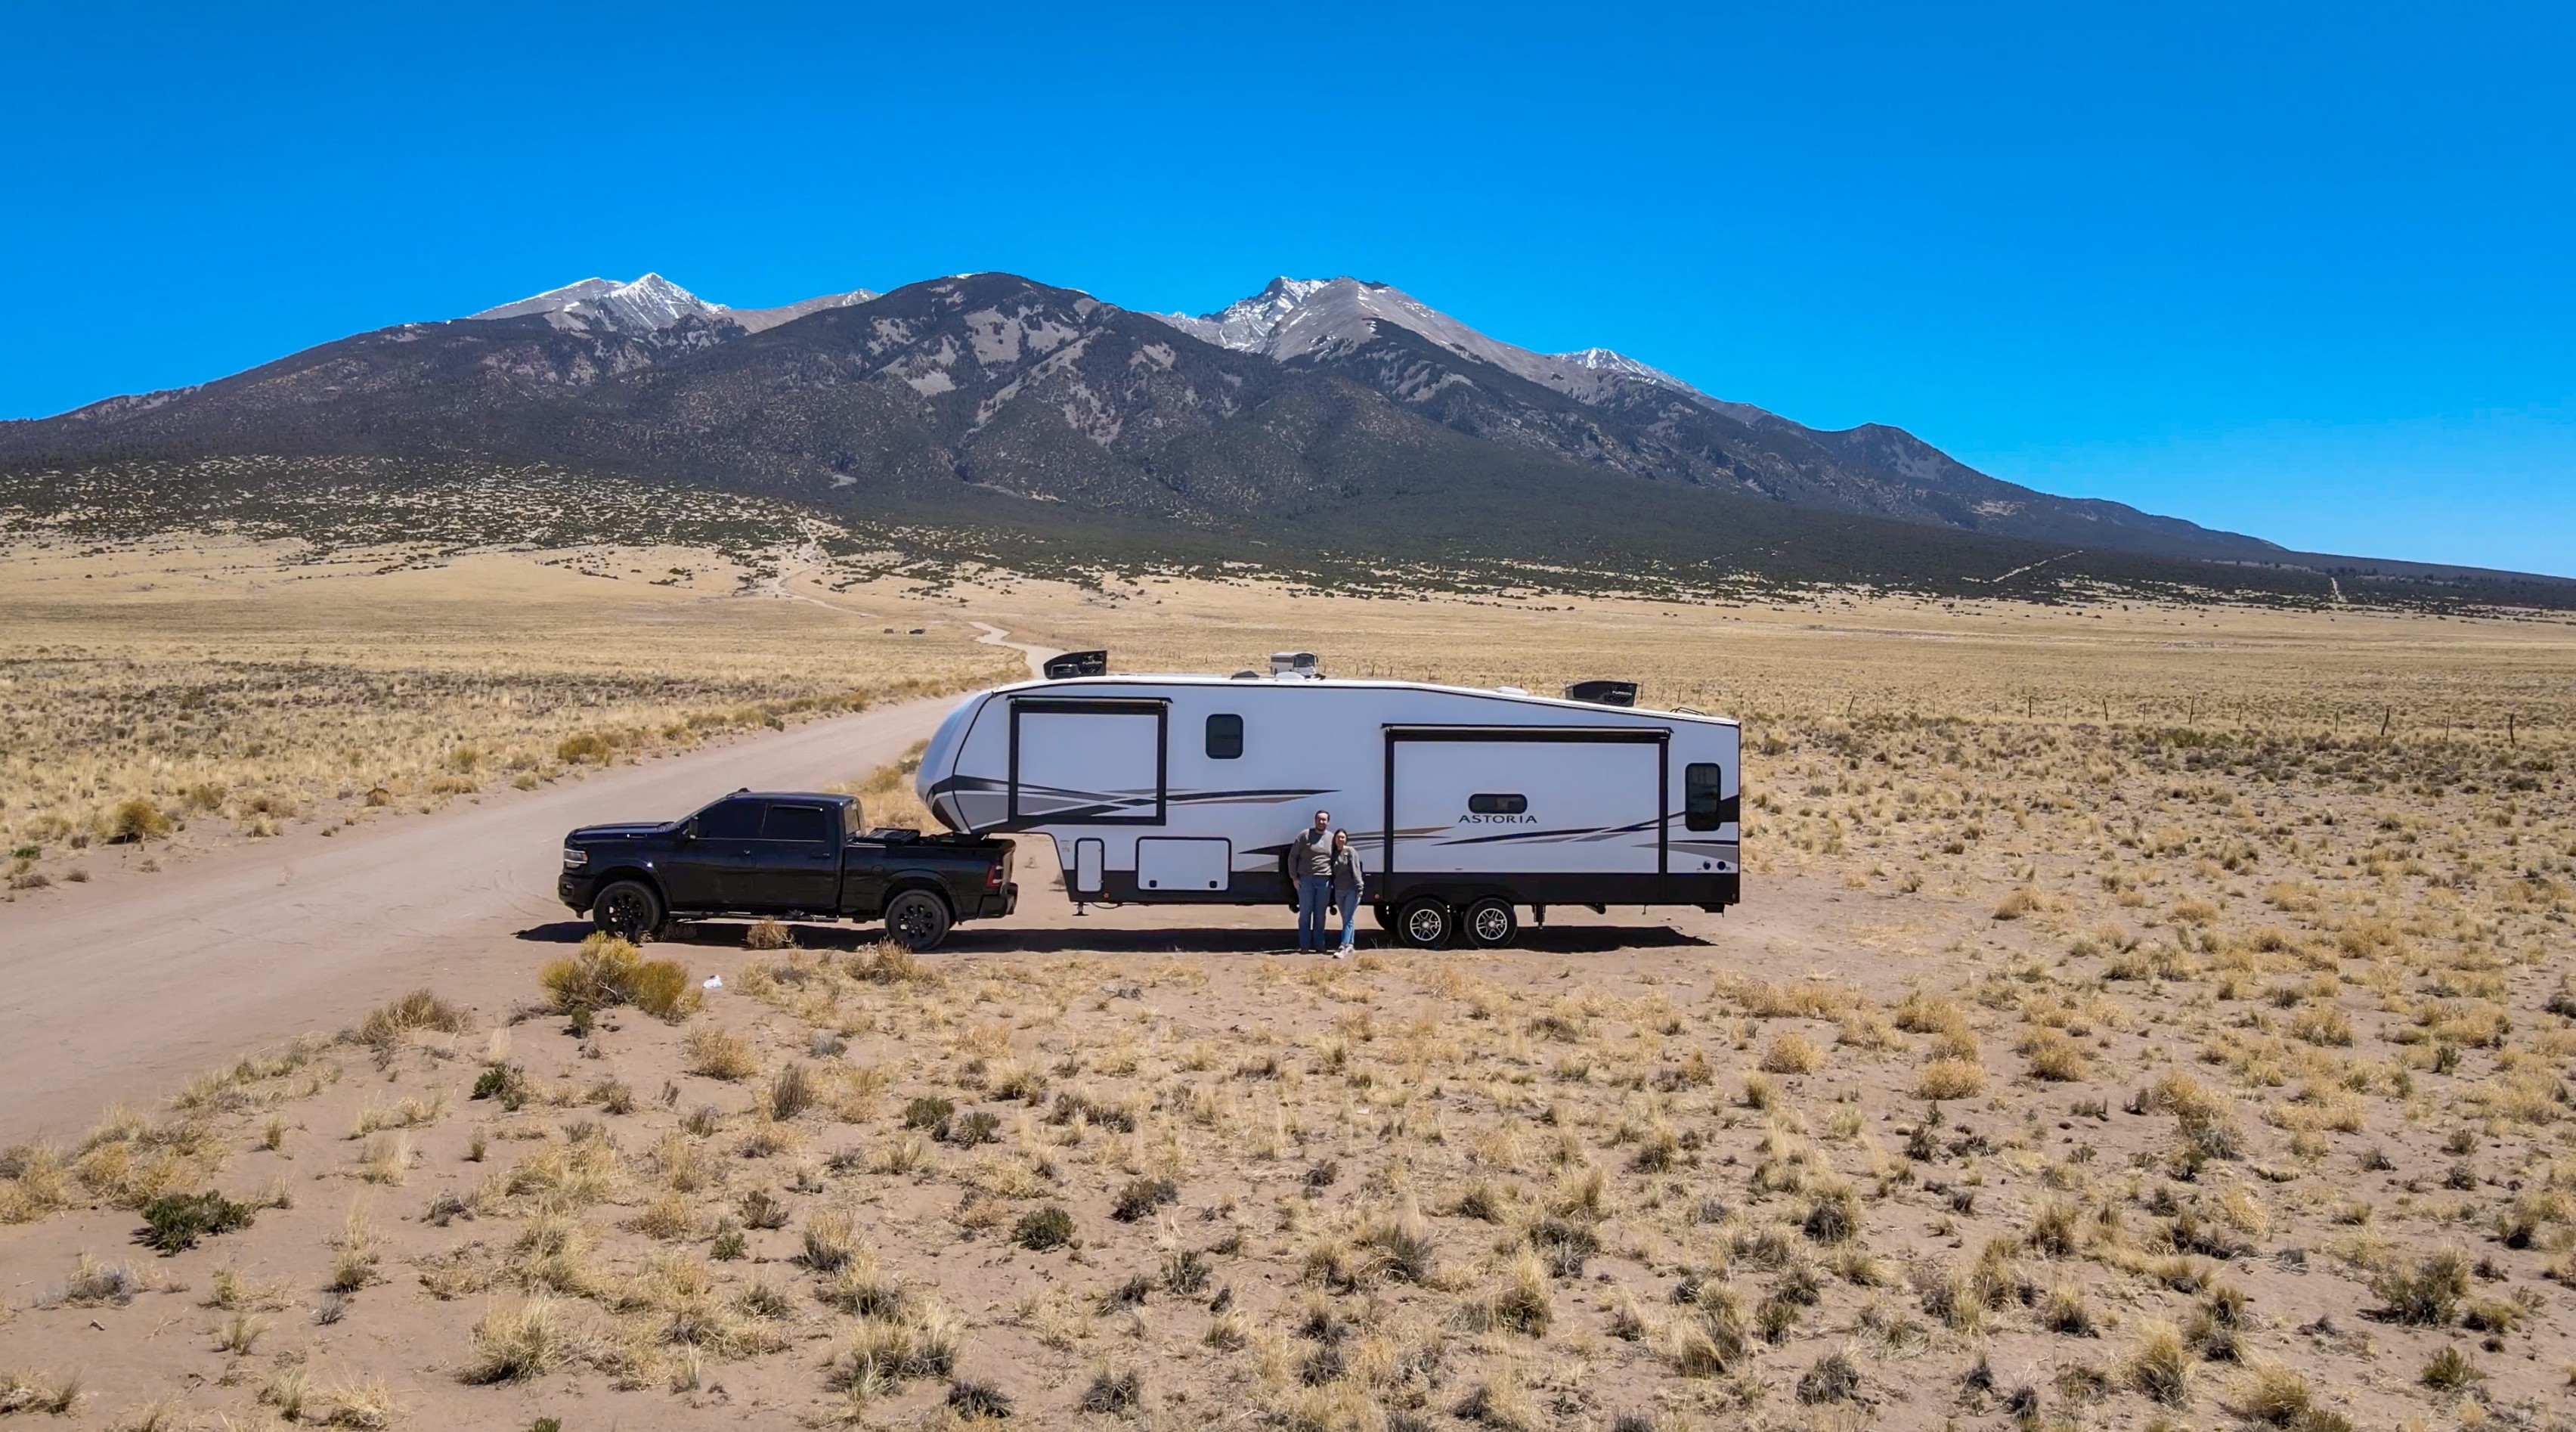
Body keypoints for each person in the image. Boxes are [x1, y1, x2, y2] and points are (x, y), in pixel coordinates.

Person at [1286, 808, 1334, 952]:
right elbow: (1292, 857)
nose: (1321, 822)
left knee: (1320, 914)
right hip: (1305, 880)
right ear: (1315, 821)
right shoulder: (1304, 835)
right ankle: (1305, 946)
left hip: (1324, 881)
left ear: (1328, 822)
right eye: (1319, 819)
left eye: (1324, 819)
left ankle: (1320, 945)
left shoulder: (1332, 838)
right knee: (1305, 913)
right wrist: (1294, 877)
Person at [1329, 828, 1365, 956]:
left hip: (1351, 890)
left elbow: (1356, 869)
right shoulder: (1333, 854)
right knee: (1346, 918)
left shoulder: (1350, 852)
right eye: (1338, 837)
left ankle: (1342, 947)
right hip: (1339, 891)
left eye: (1343, 837)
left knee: (1348, 918)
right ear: (1335, 839)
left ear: (1346, 839)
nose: (1340, 839)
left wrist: (1359, 887)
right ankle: (1350, 945)